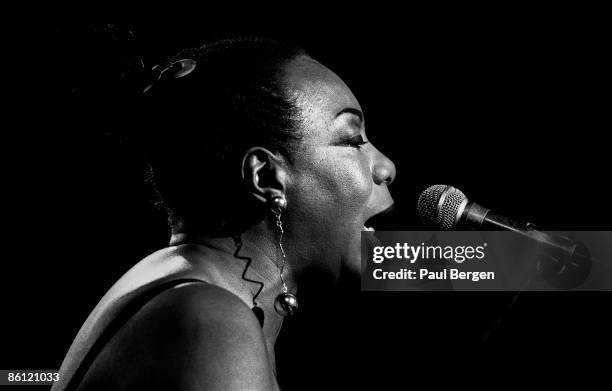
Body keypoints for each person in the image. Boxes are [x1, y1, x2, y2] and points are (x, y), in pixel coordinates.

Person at [53, 37, 396, 391]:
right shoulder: (213, 321)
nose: (387, 167)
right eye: (352, 140)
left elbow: (403, 259)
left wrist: (454, 257)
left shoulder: (190, 282)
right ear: (265, 177)